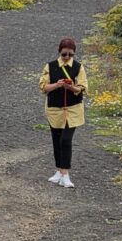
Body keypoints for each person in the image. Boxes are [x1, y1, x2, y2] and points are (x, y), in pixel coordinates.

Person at [39, 37, 88, 188]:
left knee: (65, 140)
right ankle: (59, 171)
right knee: (56, 140)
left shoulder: (79, 68)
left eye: (70, 55)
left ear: (74, 54)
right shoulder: (50, 66)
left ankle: (65, 174)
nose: (67, 57)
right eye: (64, 54)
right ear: (59, 52)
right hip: (54, 109)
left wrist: (71, 88)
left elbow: (83, 87)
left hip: (73, 109)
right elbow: (43, 87)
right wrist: (57, 85)